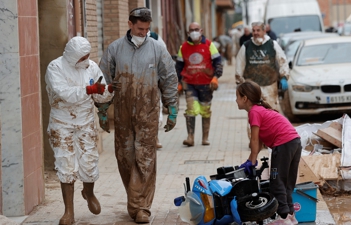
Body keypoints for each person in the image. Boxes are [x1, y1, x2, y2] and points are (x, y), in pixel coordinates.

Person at [99, 7, 178, 223]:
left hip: (148, 113)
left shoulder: (157, 49)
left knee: (145, 159)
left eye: (147, 29)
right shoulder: (114, 49)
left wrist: (172, 109)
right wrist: (103, 110)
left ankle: (142, 207)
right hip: (123, 115)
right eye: (140, 28)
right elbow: (103, 81)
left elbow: (169, 79)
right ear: (130, 24)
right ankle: (134, 200)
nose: (144, 33)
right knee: (125, 158)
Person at [45, 36, 114, 224]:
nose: (86, 59)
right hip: (62, 122)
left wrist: (106, 90)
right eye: (82, 57)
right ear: (72, 56)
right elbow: (65, 93)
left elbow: (100, 95)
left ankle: (89, 192)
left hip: (85, 121)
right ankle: (69, 211)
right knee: (66, 163)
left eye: (87, 55)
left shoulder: (91, 66)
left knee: (89, 160)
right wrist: (90, 89)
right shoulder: (55, 68)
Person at [236, 80, 301, 225]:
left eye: (237, 97)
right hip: (295, 142)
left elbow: (253, 139)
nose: (236, 100)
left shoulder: (254, 112)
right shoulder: (260, 110)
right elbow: (259, 141)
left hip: (284, 144)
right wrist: (251, 158)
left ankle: (283, 218)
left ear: (245, 98)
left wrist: (252, 161)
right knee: (287, 183)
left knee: (277, 183)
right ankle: (291, 215)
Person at [235, 21, 290, 142]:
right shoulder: (246, 46)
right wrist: (240, 84)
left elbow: (282, 61)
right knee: (253, 114)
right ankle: (254, 140)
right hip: (251, 88)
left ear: (264, 31)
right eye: (253, 30)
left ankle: (270, 137)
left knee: (270, 112)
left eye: (258, 30)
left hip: (270, 85)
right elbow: (239, 65)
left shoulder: (272, 44)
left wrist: (284, 77)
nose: (255, 33)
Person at [176, 22, 223, 146]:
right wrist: (178, 83)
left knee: (205, 110)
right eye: (191, 30)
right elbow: (179, 66)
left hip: (206, 84)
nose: (194, 32)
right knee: (191, 108)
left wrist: (216, 77)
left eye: (196, 29)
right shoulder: (183, 47)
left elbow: (218, 62)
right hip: (189, 83)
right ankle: (190, 137)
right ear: (188, 32)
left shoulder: (209, 45)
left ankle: (205, 138)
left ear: (201, 31)